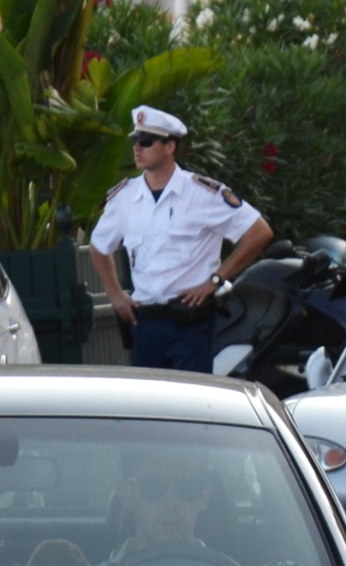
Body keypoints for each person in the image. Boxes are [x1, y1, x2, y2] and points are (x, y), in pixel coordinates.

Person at [89, 105, 274, 373]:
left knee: (191, 405)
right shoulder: (125, 198)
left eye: (146, 141)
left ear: (169, 146)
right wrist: (115, 294)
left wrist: (215, 280)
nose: (137, 148)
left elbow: (259, 232)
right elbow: (98, 247)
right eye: (135, 141)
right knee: (150, 408)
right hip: (146, 322)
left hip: (190, 321)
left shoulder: (202, 193)